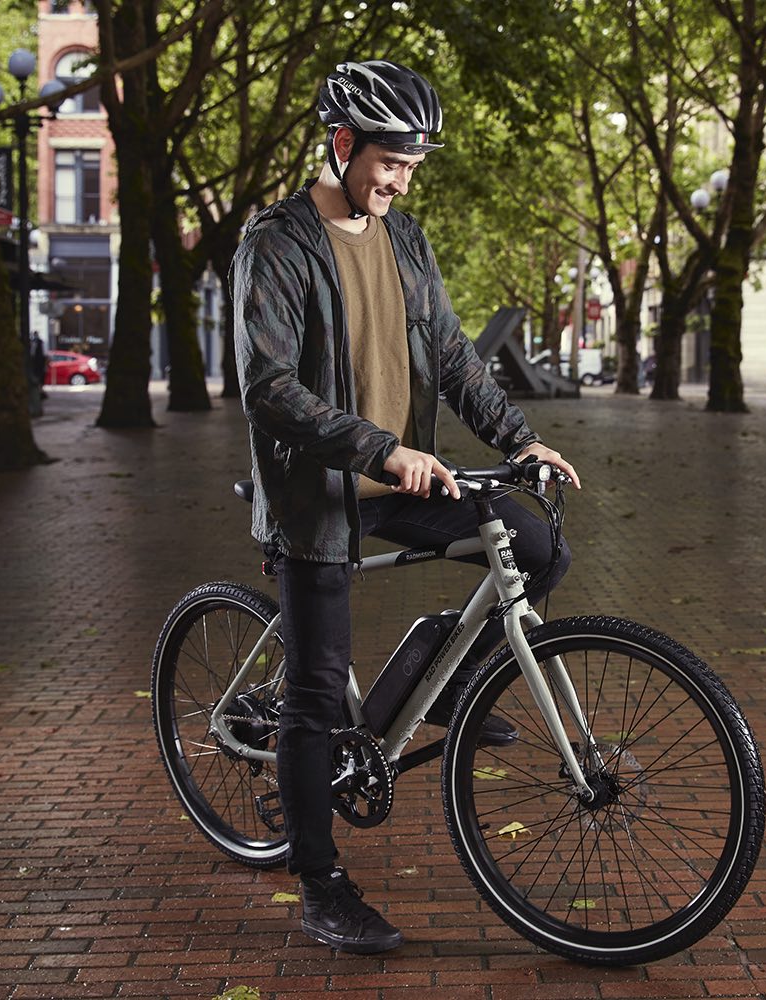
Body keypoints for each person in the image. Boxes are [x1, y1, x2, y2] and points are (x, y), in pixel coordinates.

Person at [231, 59, 581, 955]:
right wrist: (381, 448)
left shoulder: (405, 240)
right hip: (320, 493)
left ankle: (441, 674)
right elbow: (269, 387)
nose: (398, 179)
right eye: (388, 160)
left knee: (535, 543)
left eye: (412, 166)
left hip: (403, 475)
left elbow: (457, 358)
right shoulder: (276, 243)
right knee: (315, 693)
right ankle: (321, 886)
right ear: (342, 144)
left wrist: (517, 439)